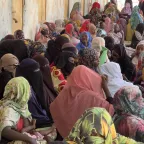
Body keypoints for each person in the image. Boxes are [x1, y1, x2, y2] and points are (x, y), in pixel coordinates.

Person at [50, 65, 114, 138]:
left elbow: (54, 108)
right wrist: (106, 88)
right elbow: (112, 110)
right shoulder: (93, 98)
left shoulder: (63, 95)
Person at [0, 77, 47, 144]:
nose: (29, 92)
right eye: (27, 89)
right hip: (8, 141)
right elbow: (5, 131)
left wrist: (31, 126)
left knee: (50, 134)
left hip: (23, 133)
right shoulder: (8, 109)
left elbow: (24, 128)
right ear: (21, 92)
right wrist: (29, 139)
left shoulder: (21, 105)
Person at [66, 107, 142, 144]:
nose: (95, 140)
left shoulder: (114, 139)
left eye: (100, 135)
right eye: (91, 134)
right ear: (82, 129)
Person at [16, 58, 53, 127]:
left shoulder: (42, 85)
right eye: (33, 71)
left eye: (38, 70)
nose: (37, 73)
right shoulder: (22, 90)